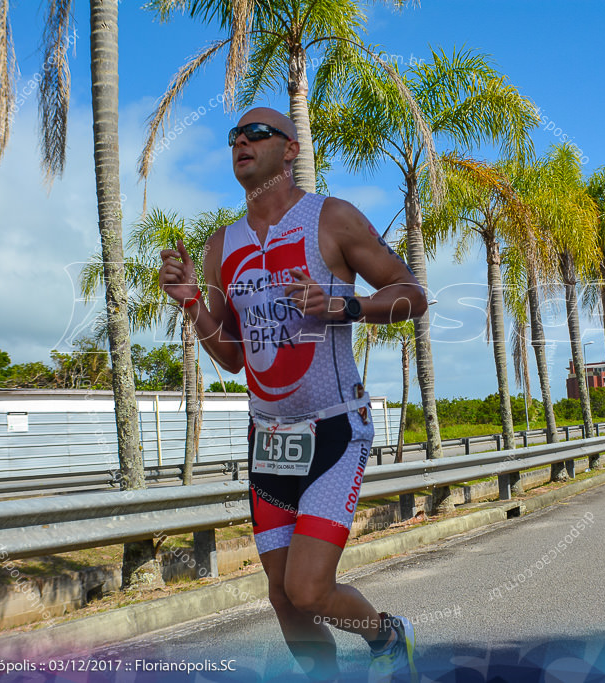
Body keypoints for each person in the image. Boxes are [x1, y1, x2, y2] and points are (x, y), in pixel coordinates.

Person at [158, 108, 426, 681]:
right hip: (269, 442)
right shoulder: (220, 247)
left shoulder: (331, 219)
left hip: (334, 430)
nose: (241, 142)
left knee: (308, 589)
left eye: (256, 133)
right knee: (282, 597)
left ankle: (385, 635)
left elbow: (411, 295)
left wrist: (340, 305)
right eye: (233, 136)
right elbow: (231, 356)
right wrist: (190, 303)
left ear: (290, 149)